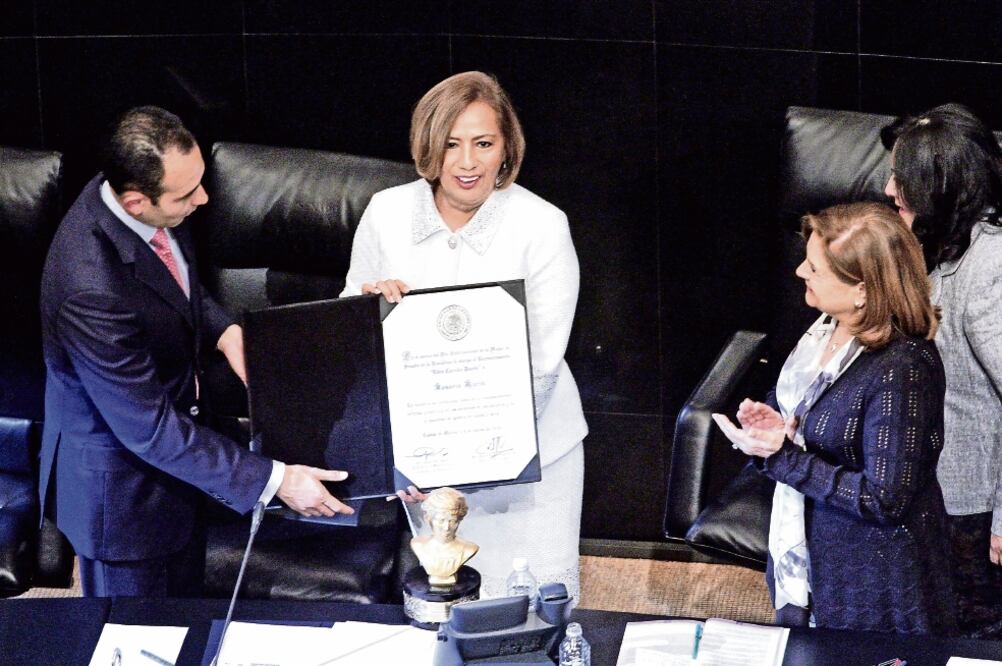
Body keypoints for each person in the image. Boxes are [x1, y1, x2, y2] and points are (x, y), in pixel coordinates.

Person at [38, 106, 354, 598]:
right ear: (136, 202)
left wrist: (227, 331)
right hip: (123, 498)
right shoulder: (89, 287)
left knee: (188, 626)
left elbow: (174, 284)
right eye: (187, 195)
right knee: (137, 639)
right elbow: (150, 430)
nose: (203, 200)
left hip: (182, 469)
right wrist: (276, 482)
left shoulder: (147, 200)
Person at [340, 71, 588, 599]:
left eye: (483, 143)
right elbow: (346, 326)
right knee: (445, 600)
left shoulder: (543, 225)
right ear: (428, 147)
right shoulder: (386, 213)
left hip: (529, 461)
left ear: (507, 148)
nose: (467, 162)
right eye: (451, 145)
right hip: (421, 460)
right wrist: (368, 308)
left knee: (527, 607)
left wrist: (462, 460)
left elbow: (542, 362)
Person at [715, 202, 955, 635]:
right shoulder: (826, 328)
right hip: (808, 551)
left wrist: (783, 457)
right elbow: (817, 413)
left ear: (863, 288)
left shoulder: (904, 368)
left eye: (814, 268)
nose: (800, 273)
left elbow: (886, 499)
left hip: (872, 585)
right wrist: (776, 421)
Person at [882, 103, 1002, 638]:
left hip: (971, 509)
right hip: (931, 491)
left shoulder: (990, 272)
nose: (889, 188)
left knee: (971, 639)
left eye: (901, 178)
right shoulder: (937, 245)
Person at [410, 487, 479, 586]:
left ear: (459, 520)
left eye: (453, 521)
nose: (446, 528)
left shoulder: (469, 549)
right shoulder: (418, 545)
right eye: (441, 520)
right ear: (427, 519)